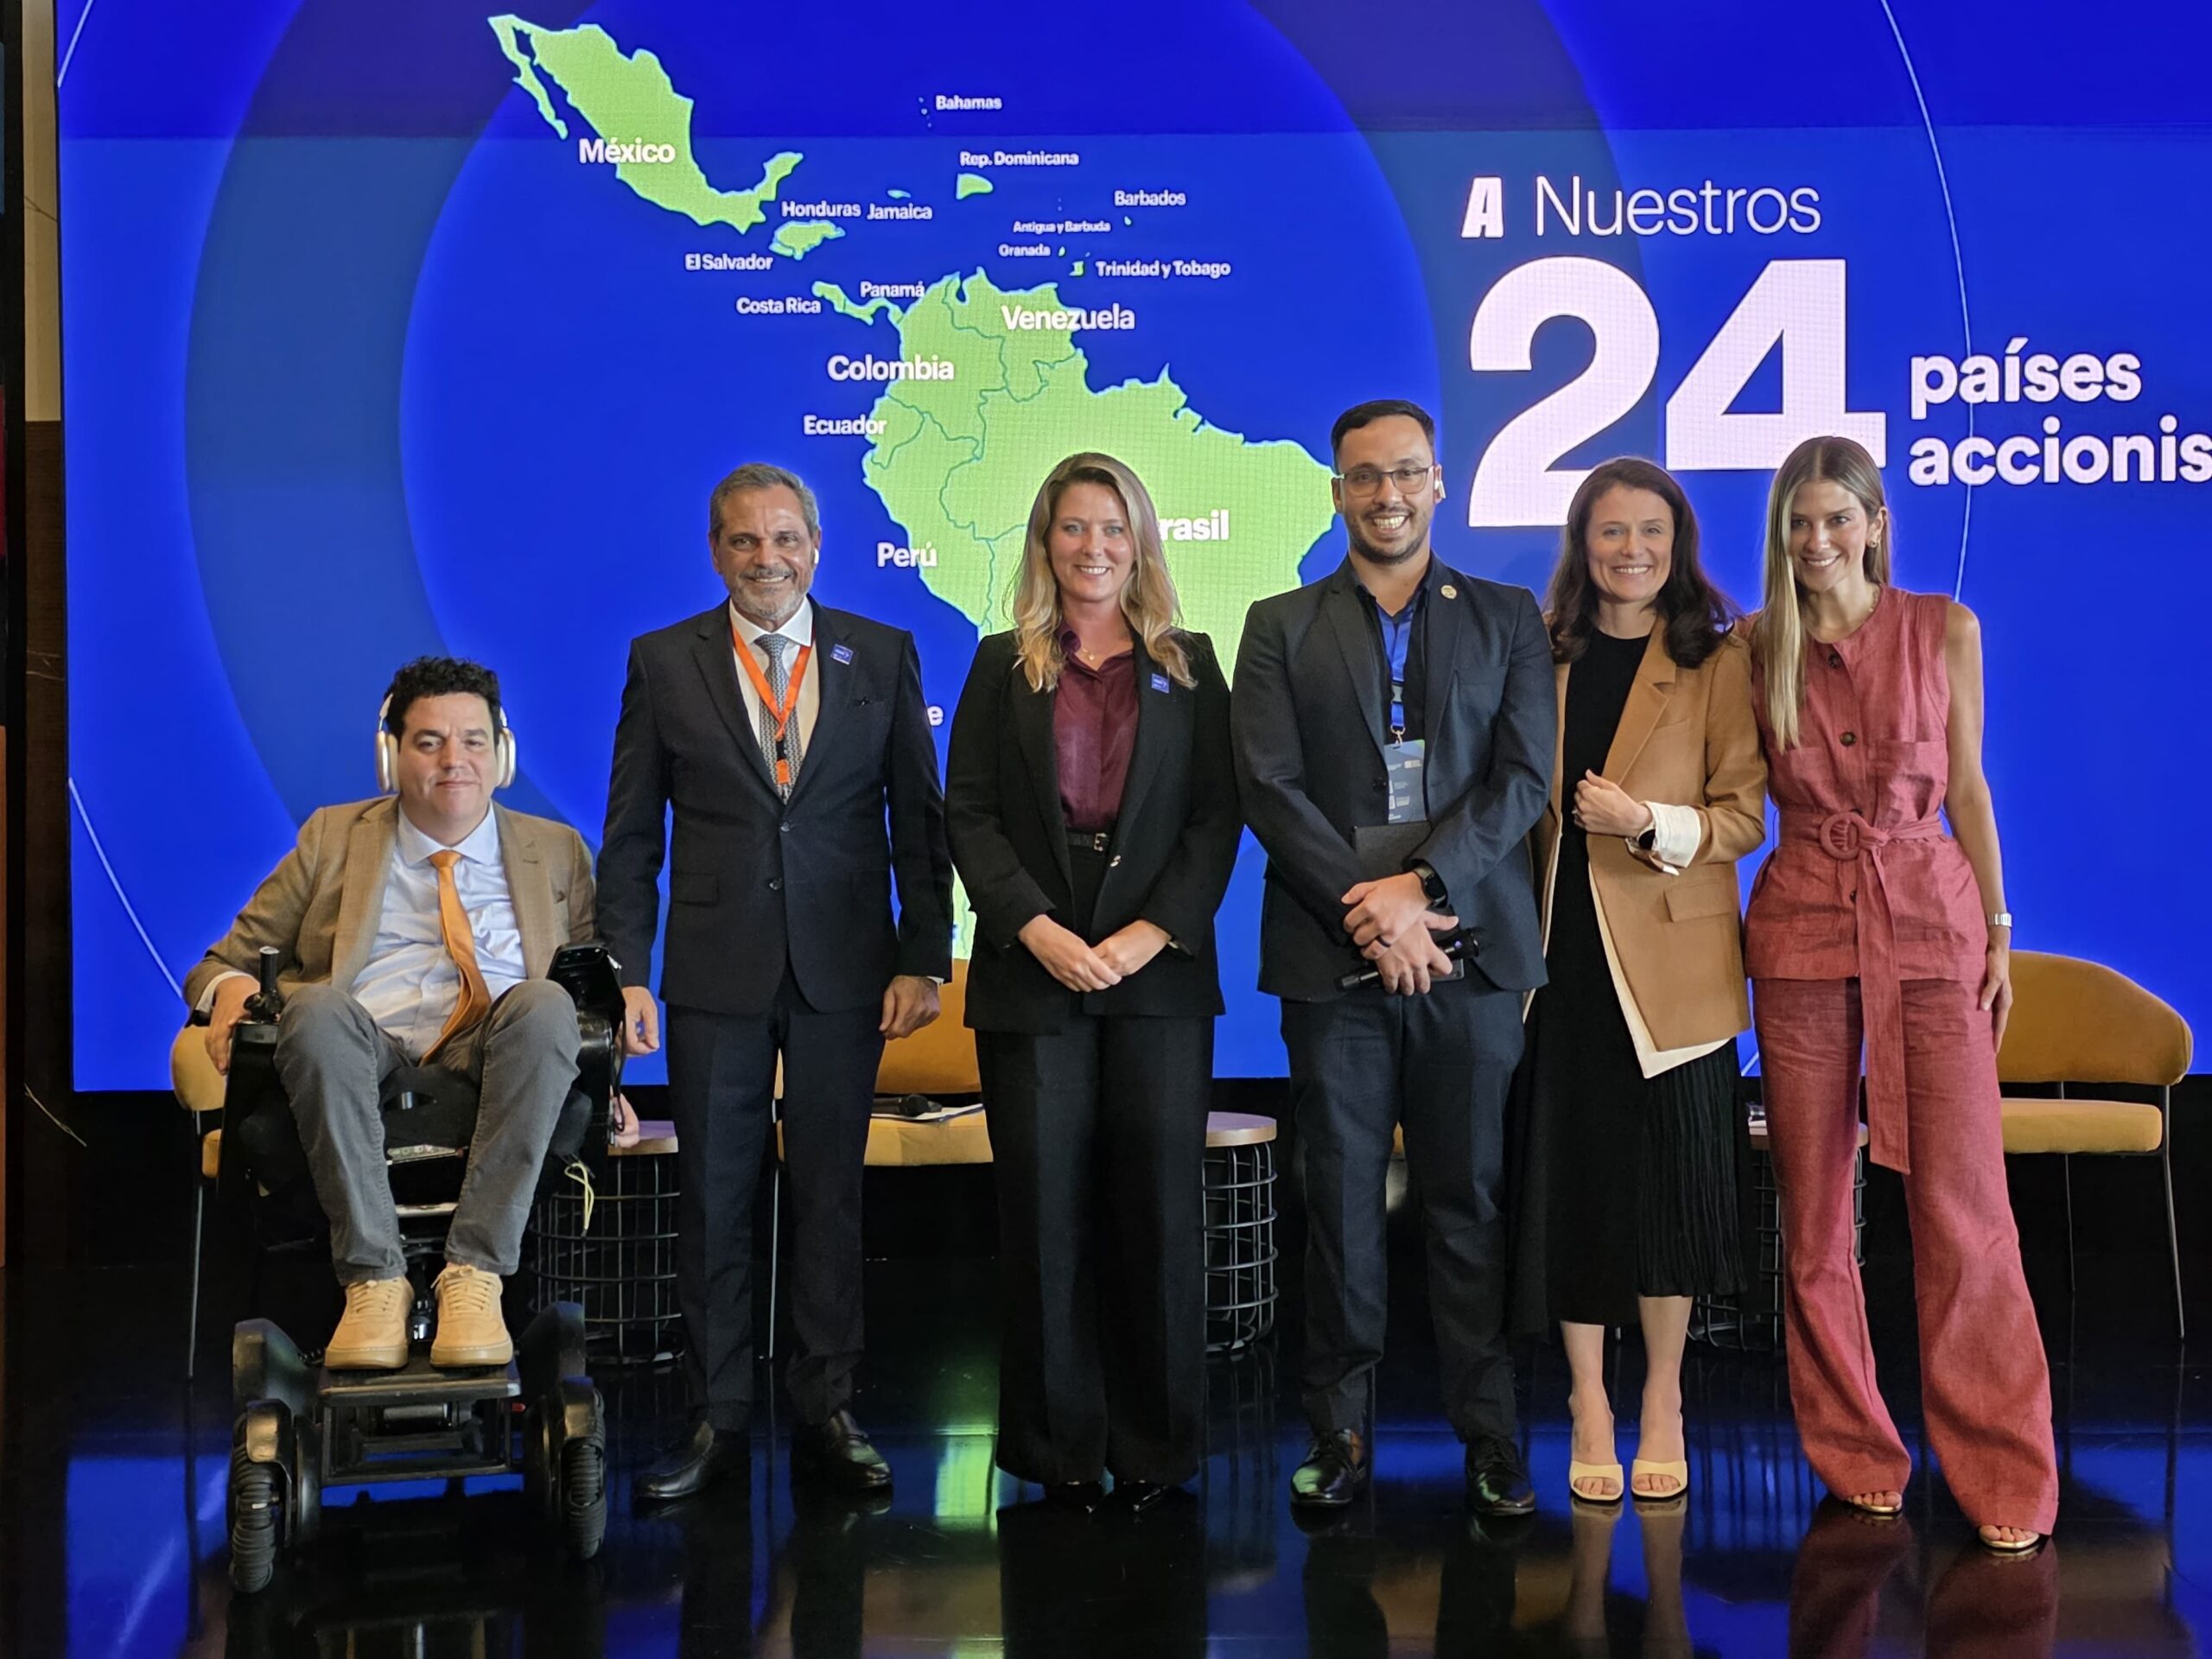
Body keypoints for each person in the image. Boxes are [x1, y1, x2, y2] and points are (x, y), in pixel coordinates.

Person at [600, 461, 954, 1499]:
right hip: (715, 971)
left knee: (829, 1197)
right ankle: (713, 1418)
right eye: (745, 540)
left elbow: (918, 819)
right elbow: (631, 837)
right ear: (716, 552)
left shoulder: (878, 654)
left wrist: (923, 955)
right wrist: (626, 973)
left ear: (816, 546)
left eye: (785, 538)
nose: (768, 558)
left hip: (847, 968)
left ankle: (827, 1407)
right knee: (713, 1200)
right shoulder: (663, 661)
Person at [1231, 398, 1554, 1514]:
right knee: (1339, 1202)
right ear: (1337, 493)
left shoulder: (1507, 617)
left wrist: (1418, 892)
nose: (1387, 494)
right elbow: (1268, 788)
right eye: (1365, 476)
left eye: (1407, 472)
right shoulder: (1278, 624)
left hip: (1471, 954)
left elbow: (1522, 780)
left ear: (1439, 482)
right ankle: (1340, 1434)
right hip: (1333, 959)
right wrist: (1371, 912)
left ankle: (1491, 1436)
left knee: (1469, 1201)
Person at [1745, 434, 2056, 1554]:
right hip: (1800, 935)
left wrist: (2001, 930)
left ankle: (2004, 1471)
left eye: (1838, 517)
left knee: (1966, 1211)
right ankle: (1856, 1454)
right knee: (1816, 1219)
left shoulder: (1944, 628)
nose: (1817, 539)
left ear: (1876, 525)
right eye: (1800, 521)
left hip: (1932, 929)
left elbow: (1967, 788)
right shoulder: (1752, 646)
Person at [945, 453, 1240, 1512]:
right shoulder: (1000, 665)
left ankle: (1155, 1448)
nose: (1093, 547)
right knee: (1043, 1215)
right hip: (1033, 970)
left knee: (1156, 1214)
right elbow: (969, 811)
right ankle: (1057, 1450)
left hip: (1157, 974)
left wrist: (1151, 933)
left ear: (1141, 542)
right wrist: (1033, 928)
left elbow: (1216, 815)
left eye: (1113, 528)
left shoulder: (1191, 664)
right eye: (1073, 528)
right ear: (1045, 543)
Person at [187, 657, 607, 1371]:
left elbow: (586, 992)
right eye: (429, 742)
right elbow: (219, 963)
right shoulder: (331, 838)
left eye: (473, 741)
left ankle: (475, 1276)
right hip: (364, 1049)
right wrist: (227, 989)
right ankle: (373, 1280)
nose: (454, 762)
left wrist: (603, 1075)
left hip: (496, 1053)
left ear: (502, 755)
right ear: (391, 755)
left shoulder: (557, 851)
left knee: (546, 1003)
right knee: (313, 1008)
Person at [1507, 458, 1765, 1504]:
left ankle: (1662, 1400)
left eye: (1650, 532)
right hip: (1558, 964)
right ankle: (1587, 1403)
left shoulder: (1716, 656)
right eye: (1611, 531)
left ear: (1677, 543)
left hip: (1672, 970)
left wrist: (1644, 821)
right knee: (1572, 1192)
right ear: (1582, 542)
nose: (1631, 551)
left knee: (1668, 1201)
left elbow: (1743, 815)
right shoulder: (1540, 650)